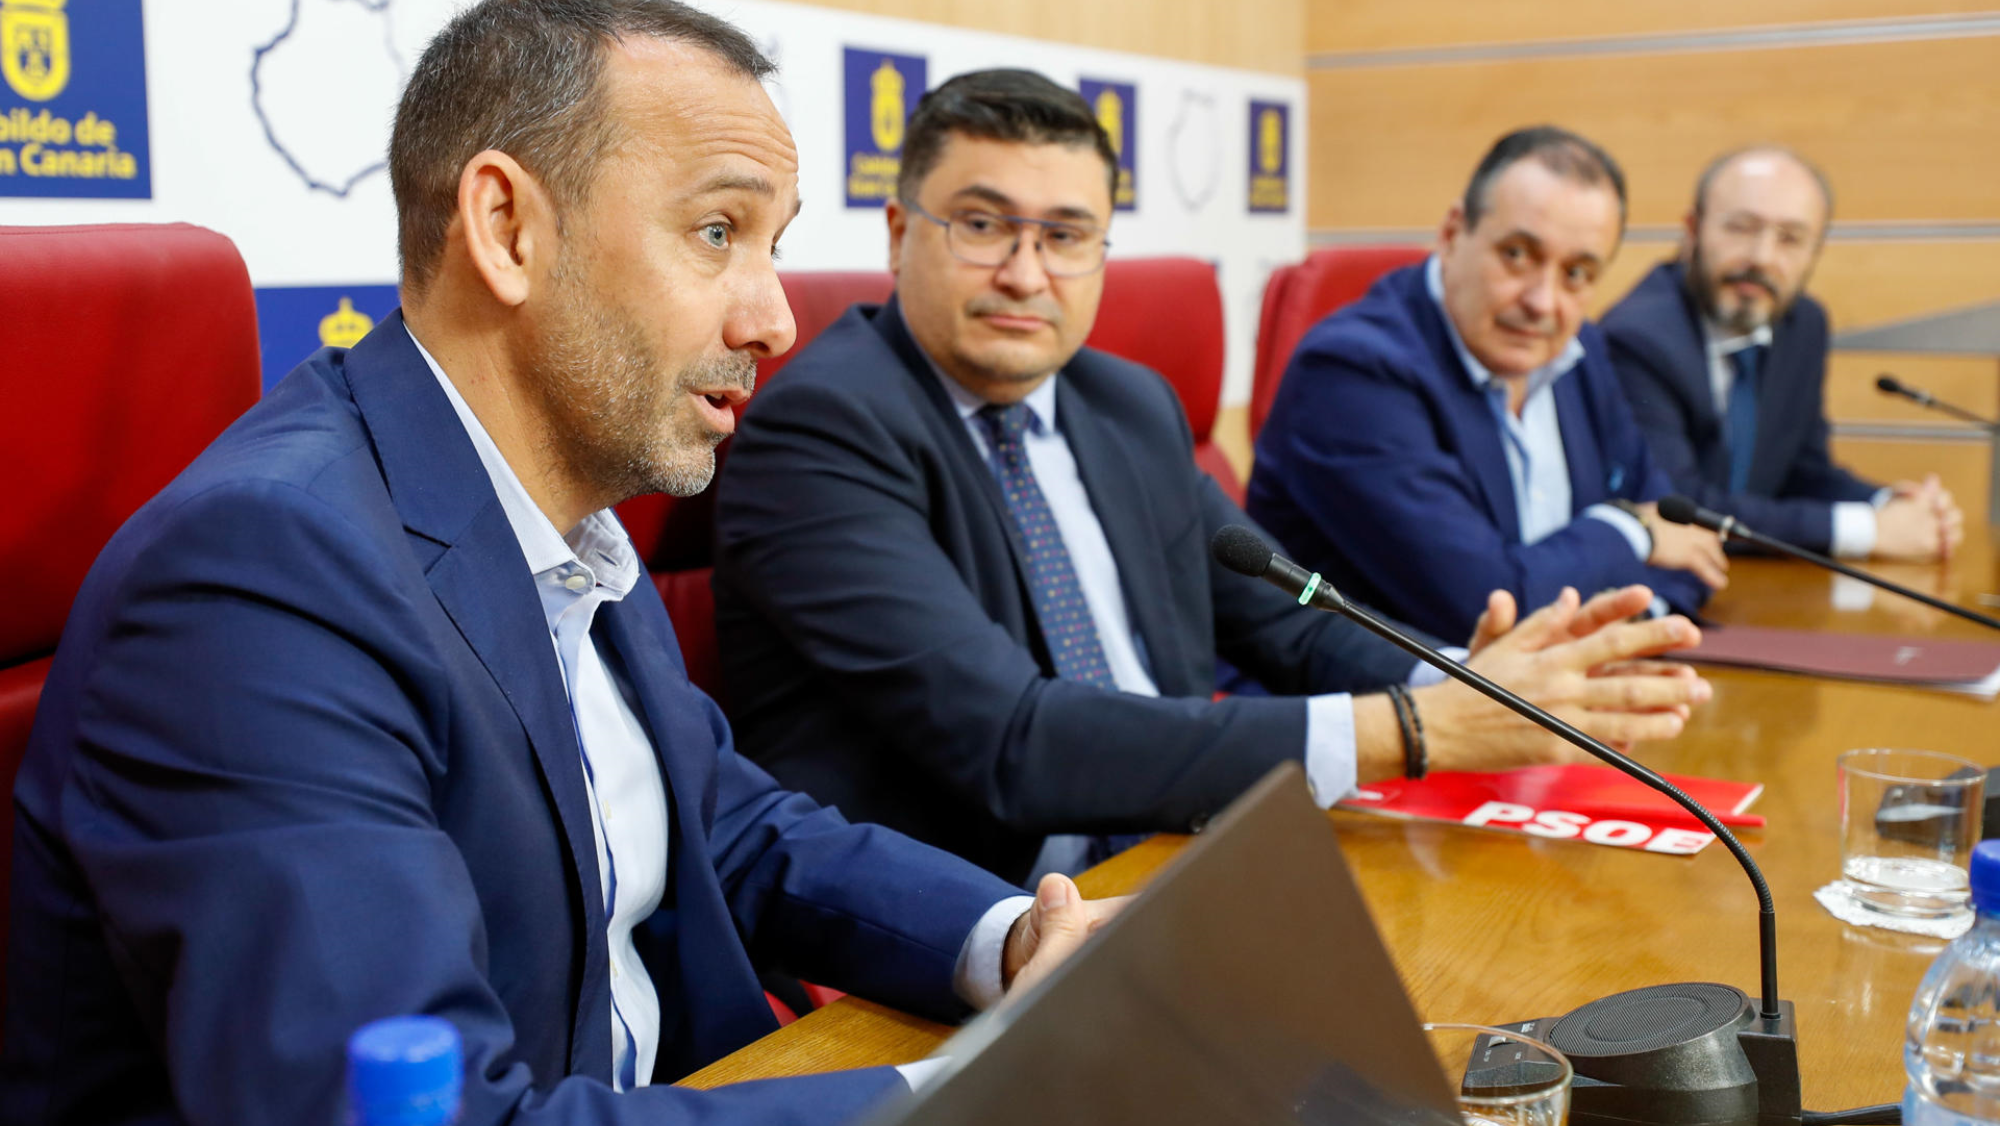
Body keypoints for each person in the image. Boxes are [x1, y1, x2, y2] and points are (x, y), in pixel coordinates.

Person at [1, 6, 1121, 1125]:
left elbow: (717, 820)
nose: (775, 316)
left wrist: (1009, 937)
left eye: (772, 244)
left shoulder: (563, 506)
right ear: (505, 228)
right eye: (719, 232)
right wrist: (972, 1097)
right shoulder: (262, 575)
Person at [711, 76, 1711, 887]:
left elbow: (1289, 621)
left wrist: (1460, 680)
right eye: (981, 225)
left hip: (1185, 855)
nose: (1025, 273)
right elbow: (1014, 742)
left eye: (1064, 236)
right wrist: (1412, 729)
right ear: (897, 233)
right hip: (976, 911)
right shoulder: (823, 427)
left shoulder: (1123, 403)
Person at [1245, 127, 1727, 642]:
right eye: (1518, 255)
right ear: (1453, 233)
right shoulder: (1352, 374)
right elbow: (1486, 605)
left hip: (1564, 692)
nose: (1543, 301)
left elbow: (1687, 551)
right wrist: (1634, 531)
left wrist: (1637, 605)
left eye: (1577, 273)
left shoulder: (1578, 351)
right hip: (1386, 701)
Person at [1602, 145, 1964, 561]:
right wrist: (1867, 530)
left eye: (1791, 239)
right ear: (1691, 229)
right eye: (1740, 228)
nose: (1762, 258)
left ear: (1815, 252)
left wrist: (1889, 505)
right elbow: (1678, 506)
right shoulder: (1638, 338)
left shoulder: (1802, 324)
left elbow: (1801, 473)